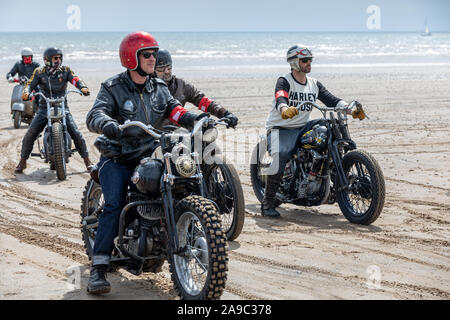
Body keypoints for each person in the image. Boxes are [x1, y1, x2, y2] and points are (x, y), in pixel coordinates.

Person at [85, 32, 202, 295]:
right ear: (132, 57)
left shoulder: (158, 87)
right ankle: (99, 267)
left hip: (150, 153)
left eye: (154, 53)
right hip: (118, 156)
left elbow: (174, 109)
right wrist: (107, 124)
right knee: (114, 204)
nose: (153, 58)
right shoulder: (112, 87)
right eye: (147, 54)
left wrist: (192, 119)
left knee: (181, 184)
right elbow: (95, 113)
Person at [262, 44, 365, 218]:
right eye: (305, 60)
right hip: (281, 128)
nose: (309, 63)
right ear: (294, 62)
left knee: (331, 125)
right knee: (281, 155)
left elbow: (331, 99)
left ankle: (336, 168)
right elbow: (280, 96)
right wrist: (284, 108)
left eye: (310, 59)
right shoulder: (284, 80)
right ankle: (267, 202)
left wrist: (349, 109)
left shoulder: (314, 83)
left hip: (302, 126)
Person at [14, 47, 92, 174]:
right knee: (30, 133)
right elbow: (30, 84)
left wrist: (82, 87)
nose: (58, 60)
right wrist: (26, 92)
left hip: (62, 107)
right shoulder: (39, 72)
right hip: (45, 108)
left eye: (60, 58)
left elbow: (75, 79)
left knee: (76, 133)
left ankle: (87, 161)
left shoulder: (65, 70)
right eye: (56, 58)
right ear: (47, 59)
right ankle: (22, 161)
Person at [155, 49, 238, 128]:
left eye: (169, 68)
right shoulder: (148, 88)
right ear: (152, 69)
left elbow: (201, 100)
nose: (166, 72)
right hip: (152, 135)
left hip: (177, 132)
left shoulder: (181, 85)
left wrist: (224, 113)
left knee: (204, 139)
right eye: (161, 69)